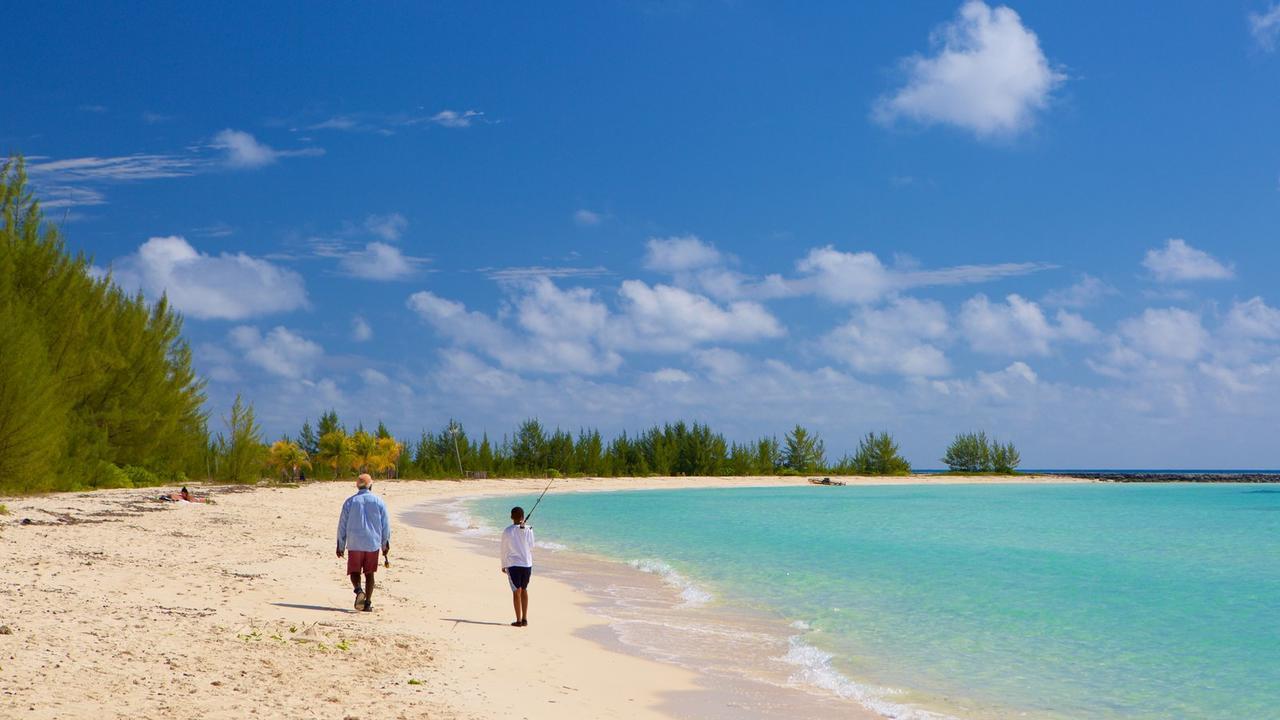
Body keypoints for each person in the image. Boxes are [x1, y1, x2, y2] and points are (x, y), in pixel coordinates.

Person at [336, 473, 390, 612]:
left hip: (354, 542)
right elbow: (385, 525)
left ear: (357, 486)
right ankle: (367, 603)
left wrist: (340, 545)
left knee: (354, 571)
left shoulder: (350, 502)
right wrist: (385, 544)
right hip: (372, 542)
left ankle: (359, 590)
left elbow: (342, 524)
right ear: (370, 485)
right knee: (369, 573)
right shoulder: (379, 501)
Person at [500, 506, 534, 627]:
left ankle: (519, 620)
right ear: (523, 517)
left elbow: (503, 549)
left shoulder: (507, 531)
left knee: (516, 591)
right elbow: (531, 546)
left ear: (511, 517)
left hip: (513, 565)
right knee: (524, 590)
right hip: (526, 564)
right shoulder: (529, 529)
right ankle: (524, 619)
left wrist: (503, 564)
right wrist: (524, 530)